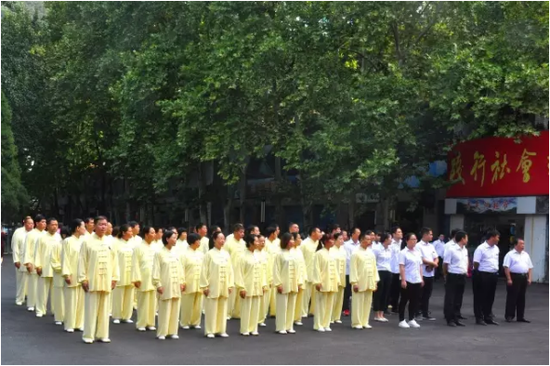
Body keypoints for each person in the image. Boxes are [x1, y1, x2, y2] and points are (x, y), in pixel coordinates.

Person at [78, 216, 119, 344]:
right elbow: (82, 261)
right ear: (94, 226)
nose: (103, 227)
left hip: (106, 279)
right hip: (92, 279)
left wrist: (114, 277)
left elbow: (115, 261)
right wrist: (83, 279)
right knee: (90, 308)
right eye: (100, 224)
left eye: (105, 224)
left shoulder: (111, 242)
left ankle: (102, 334)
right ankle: (88, 335)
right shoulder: (87, 242)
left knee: (105, 308)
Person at [200, 231, 234, 338]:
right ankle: (210, 330)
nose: (222, 241)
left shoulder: (226, 254)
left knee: (222, 308)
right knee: (211, 308)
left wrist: (230, 285)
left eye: (223, 238)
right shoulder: (209, 254)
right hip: (212, 285)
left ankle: (221, 329)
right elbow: (204, 271)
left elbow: (230, 271)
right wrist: (205, 286)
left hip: (224, 285)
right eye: (220, 238)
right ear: (214, 240)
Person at [152, 230, 185, 340]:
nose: (176, 240)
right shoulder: (159, 253)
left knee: (175, 308)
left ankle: (172, 331)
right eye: (174, 238)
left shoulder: (177, 253)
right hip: (165, 284)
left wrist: (182, 282)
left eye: (176, 238)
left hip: (176, 284)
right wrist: (158, 284)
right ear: (167, 239)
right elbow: (156, 270)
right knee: (165, 308)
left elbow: (180, 269)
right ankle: (162, 332)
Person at [236, 234, 267, 336]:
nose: (258, 243)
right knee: (246, 308)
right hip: (247, 285)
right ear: (250, 243)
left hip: (257, 284)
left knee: (255, 307)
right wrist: (241, 288)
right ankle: (245, 329)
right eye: (256, 241)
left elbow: (262, 271)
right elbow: (239, 273)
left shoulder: (257, 255)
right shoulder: (242, 256)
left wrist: (263, 285)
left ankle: (253, 328)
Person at [273, 233, 302, 334]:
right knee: (282, 305)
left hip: (293, 282)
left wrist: (299, 281)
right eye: (291, 240)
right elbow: (276, 270)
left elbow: (298, 269)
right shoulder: (279, 254)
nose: (292, 242)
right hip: (283, 282)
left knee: (291, 304)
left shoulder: (295, 254)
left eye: (293, 240)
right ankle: (281, 327)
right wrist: (278, 284)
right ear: (285, 241)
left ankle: (289, 326)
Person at [34, 218, 62, 320]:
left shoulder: (59, 237)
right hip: (44, 267)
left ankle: (55, 310)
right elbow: (37, 252)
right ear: (48, 226)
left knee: (56, 291)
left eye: (56, 225)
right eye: (52, 224)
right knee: (42, 291)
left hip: (56, 269)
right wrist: (38, 265)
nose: (54, 227)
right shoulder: (42, 237)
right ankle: (40, 310)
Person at [350, 232, 379, 329]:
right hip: (360, 281)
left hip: (369, 280)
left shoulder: (371, 252)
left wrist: (375, 281)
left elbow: (374, 267)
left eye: (370, 239)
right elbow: (353, 269)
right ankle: (356, 322)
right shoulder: (355, 252)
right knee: (358, 302)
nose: (369, 241)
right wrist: (354, 283)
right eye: (367, 239)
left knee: (367, 301)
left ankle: (364, 321)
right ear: (361, 240)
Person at [61, 219, 86, 332]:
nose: (84, 229)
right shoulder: (67, 241)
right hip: (72, 274)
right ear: (77, 228)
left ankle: (79, 323)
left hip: (82, 275)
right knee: (71, 301)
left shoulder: (84, 241)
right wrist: (66, 274)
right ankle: (69, 324)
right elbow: (65, 258)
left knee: (81, 301)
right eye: (83, 227)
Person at [132, 226, 158, 332]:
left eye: (154, 232)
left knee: (153, 302)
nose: (154, 234)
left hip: (153, 278)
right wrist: (136, 278)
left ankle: (150, 322)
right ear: (146, 234)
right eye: (152, 232)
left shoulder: (156, 247)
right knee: (143, 302)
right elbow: (135, 264)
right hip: (143, 278)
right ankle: (141, 323)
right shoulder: (138, 247)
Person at [312, 233, 340, 332]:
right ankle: (318, 324)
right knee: (321, 304)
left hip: (332, 280)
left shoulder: (333, 253)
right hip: (323, 281)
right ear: (325, 242)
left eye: (333, 240)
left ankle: (326, 323)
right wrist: (317, 282)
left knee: (329, 303)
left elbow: (335, 268)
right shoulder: (319, 253)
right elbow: (316, 269)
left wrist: (337, 280)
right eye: (331, 240)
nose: (333, 241)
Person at [472, 229, 500, 326]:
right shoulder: (481, 248)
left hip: (493, 274)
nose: (498, 239)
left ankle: (488, 317)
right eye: (497, 237)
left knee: (490, 297)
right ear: (492, 237)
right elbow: (476, 263)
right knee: (480, 297)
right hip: (482, 274)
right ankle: (479, 318)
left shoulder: (496, 248)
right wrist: (478, 274)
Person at [503, 238, 533, 323]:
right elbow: (506, 267)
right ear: (516, 245)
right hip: (514, 276)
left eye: (523, 244)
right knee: (512, 297)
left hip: (523, 276)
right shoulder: (510, 254)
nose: (523, 245)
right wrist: (509, 278)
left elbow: (530, 267)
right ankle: (509, 315)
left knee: (521, 297)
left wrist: (529, 278)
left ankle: (520, 316)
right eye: (521, 244)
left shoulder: (525, 254)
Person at [397, 233, 423, 329]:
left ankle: (411, 318)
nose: (414, 241)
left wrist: (421, 278)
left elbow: (419, 266)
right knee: (404, 300)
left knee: (414, 300)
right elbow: (402, 266)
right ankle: (401, 319)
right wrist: (403, 280)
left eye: (415, 239)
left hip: (416, 279)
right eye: (412, 239)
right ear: (407, 240)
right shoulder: (403, 252)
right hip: (407, 279)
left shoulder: (417, 252)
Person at [179, 233, 205, 330]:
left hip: (199, 281)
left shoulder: (201, 254)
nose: (199, 242)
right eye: (198, 240)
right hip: (189, 281)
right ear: (192, 242)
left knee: (198, 303)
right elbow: (181, 269)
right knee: (187, 303)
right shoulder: (184, 254)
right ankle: (185, 322)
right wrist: (182, 281)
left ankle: (195, 322)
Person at [443, 230, 468, 327]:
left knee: (458, 298)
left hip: (462, 275)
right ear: (462, 239)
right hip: (453, 275)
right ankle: (450, 319)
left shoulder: (464, 249)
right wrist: (446, 275)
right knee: (450, 298)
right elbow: (445, 264)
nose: (467, 240)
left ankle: (456, 317)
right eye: (466, 238)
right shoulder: (451, 249)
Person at [23, 214, 47, 312]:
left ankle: (41, 304)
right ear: (37, 223)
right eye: (42, 222)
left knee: (43, 285)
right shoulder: (31, 234)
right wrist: (28, 263)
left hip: (44, 262)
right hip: (33, 261)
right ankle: (31, 303)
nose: (44, 224)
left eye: (45, 222)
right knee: (33, 284)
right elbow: (27, 249)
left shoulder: (46, 234)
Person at [112, 224, 135, 324]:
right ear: (123, 232)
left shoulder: (133, 243)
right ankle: (117, 315)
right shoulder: (116, 243)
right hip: (120, 272)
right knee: (118, 295)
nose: (131, 233)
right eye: (129, 231)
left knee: (129, 295)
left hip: (130, 272)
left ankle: (126, 316)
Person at [416, 227, 437, 321]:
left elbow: (436, 257)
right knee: (419, 294)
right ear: (425, 235)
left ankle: (425, 312)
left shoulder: (431, 246)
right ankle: (417, 312)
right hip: (422, 273)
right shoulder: (418, 246)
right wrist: (432, 264)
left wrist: (433, 265)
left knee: (427, 295)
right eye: (430, 234)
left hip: (430, 273)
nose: (432, 236)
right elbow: (421, 259)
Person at [225, 223, 245, 319]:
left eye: (243, 232)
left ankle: (237, 313)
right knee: (231, 292)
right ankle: (227, 313)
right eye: (240, 232)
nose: (242, 234)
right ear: (235, 232)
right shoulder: (228, 242)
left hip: (241, 270)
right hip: (231, 269)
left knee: (239, 290)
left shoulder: (243, 243)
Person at [300, 226, 321, 317]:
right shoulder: (304, 244)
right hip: (307, 271)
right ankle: (303, 312)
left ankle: (314, 311)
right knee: (305, 295)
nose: (320, 234)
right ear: (313, 233)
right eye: (318, 232)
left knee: (316, 294)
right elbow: (300, 259)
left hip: (317, 272)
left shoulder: (319, 244)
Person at [12, 216, 33, 306]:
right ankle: (19, 298)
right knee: (21, 280)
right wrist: (16, 260)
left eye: (32, 223)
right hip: (21, 259)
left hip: (32, 260)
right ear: (24, 223)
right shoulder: (18, 232)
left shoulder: (34, 233)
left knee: (32, 280)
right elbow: (15, 247)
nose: (31, 225)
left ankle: (29, 297)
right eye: (29, 223)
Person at [373, 232, 393, 322]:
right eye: (390, 238)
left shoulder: (390, 249)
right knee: (379, 293)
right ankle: (377, 313)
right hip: (379, 271)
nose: (391, 240)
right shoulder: (377, 249)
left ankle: (382, 313)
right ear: (385, 239)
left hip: (388, 271)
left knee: (386, 293)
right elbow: (374, 261)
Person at [343, 227, 361, 317]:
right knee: (347, 291)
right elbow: (347, 258)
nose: (358, 235)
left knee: (356, 291)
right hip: (348, 271)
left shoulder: (360, 245)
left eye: (359, 233)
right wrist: (355, 265)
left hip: (358, 272)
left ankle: (356, 309)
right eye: (357, 233)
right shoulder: (346, 245)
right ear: (353, 234)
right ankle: (346, 308)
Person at [330, 232, 346, 324]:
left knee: (340, 297)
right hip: (334, 276)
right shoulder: (331, 250)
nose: (341, 241)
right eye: (339, 239)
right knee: (333, 297)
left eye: (342, 239)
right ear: (335, 240)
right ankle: (331, 316)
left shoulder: (343, 250)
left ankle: (337, 316)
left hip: (342, 275)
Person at [292, 232, 307, 326]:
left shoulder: (299, 250)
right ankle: (290, 318)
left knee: (299, 299)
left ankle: (297, 318)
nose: (300, 239)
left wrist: (304, 277)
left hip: (301, 278)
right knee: (292, 299)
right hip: (293, 279)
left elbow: (302, 265)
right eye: (298, 238)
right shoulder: (290, 251)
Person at [265, 226, 280, 318]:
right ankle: (264, 312)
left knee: (275, 291)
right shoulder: (265, 243)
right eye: (275, 232)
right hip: (267, 269)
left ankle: (274, 311)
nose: (277, 234)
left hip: (276, 268)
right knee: (267, 291)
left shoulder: (278, 242)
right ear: (271, 234)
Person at [388, 226, 403, 314]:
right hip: (391, 268)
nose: (401, 233)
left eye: (401, 232)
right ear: (393, 234)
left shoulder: (402, 243)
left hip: (399, 269)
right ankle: (386, 305)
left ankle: (395, 306)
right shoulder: (391, 243)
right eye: (398, 232)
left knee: (397, 290)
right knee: (390, 289)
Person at [257, 235, 271, 327]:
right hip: (257, 280)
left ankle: (262, 318)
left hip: (266, 279)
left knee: (264, 301)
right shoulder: (254, 254)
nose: (262, 243)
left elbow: (270, 268)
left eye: (263, 241)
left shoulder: (266, 254)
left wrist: (270, 279)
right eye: (260, 241)